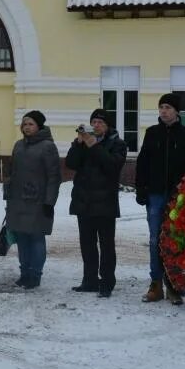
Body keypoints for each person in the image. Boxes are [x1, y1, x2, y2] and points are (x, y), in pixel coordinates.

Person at [134, 93, 185, 304]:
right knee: (155, 240)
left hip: (180, 197)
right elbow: (143, 162)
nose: (164, 111)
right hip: (155, 194)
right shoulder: (152, 133)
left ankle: (174, 285)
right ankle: (156, 284)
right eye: (161, 107)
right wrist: (141, 188)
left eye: (168, 107)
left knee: (176, 241)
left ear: (177, 111)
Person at [66, 108, 127, 297]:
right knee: (87, 244)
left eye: (100, 122)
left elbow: (112, 165)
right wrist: (78, 144)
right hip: (84, 201)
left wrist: (94, 145)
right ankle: (89, 280)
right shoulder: (83, 143)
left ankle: (107, 282)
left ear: (107, 126)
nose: (96, 125)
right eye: (94, 122)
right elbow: (71, 163)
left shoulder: (117, 143)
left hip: (105, 202)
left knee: (107, 245)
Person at [4, 110, 60, 290]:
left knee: (36, 238)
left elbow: (54, 177)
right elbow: (12, 173)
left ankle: (35, 274)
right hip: (18, 200)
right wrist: (8, 194)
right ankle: (24, 272)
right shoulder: (18, 145)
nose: (26, 127)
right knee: (21, 239)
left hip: (38, 201)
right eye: (24, 124)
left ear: (39, 126)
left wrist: (49, 202)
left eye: (31, 124)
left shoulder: (47, 146)